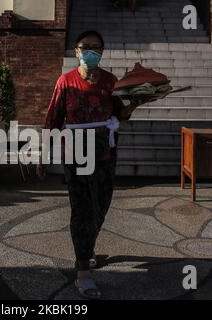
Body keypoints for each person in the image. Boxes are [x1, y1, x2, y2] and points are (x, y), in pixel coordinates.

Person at [37, 30, 143, 299]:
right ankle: (83, 270)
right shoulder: (66, 81)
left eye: (96, 48)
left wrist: (135, 104)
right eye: (86, 47)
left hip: (105, 154)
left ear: (102, 52)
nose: (91, 52)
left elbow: (121, 114)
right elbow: (53, 119)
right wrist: (43, 153)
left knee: (101, 206)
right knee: (82, 210)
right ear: (76, 51)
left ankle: (87, 247)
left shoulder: (110, 81)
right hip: (76, 154)